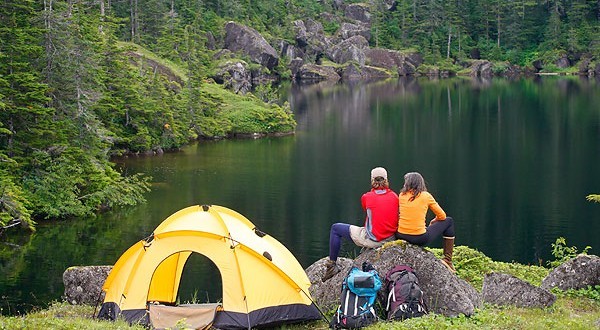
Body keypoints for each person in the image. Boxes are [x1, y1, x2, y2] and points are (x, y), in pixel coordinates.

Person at [322, 167, 399, 282]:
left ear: (372, 180)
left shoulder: (366, 197)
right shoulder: (395, 196)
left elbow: (368, 210)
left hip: (374, 239)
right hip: (390, 238)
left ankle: (332, 266)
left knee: (335, 229)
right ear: (386, 180)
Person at [394, 172, 456, 272]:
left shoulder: (402, 195)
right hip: (419, 238)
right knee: (449, 221)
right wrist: (435, 220)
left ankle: (448, 260)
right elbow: (442, 216)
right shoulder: (426, 196)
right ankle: (448, 260)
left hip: (401, 235)